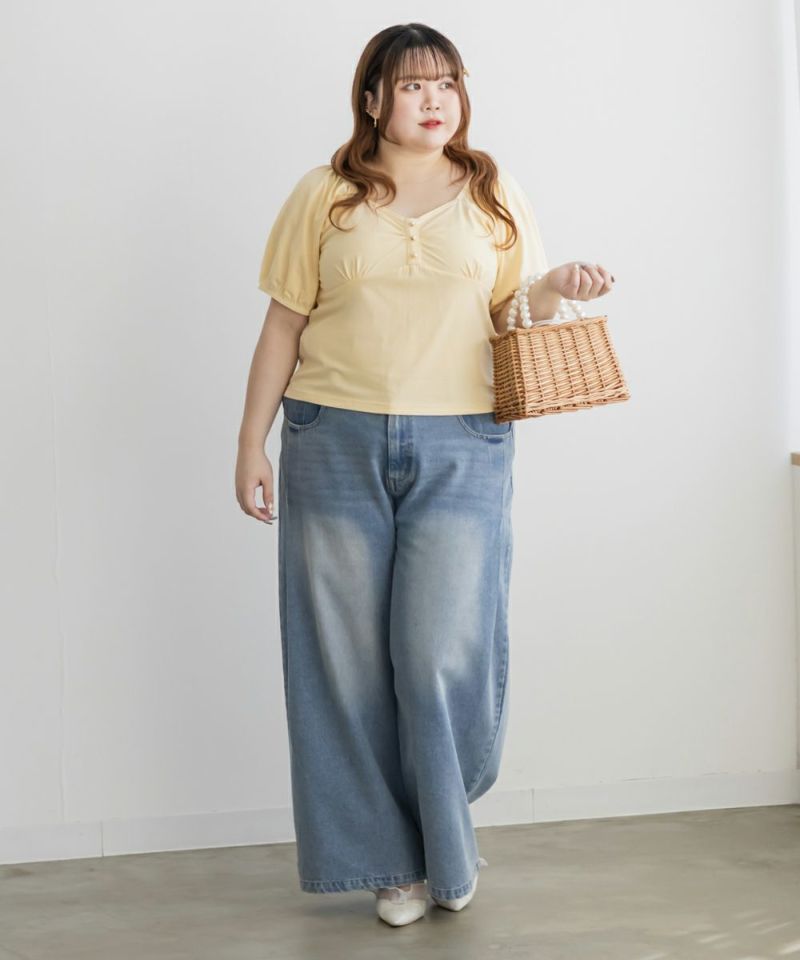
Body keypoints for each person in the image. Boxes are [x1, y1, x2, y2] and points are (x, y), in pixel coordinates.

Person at [235, 22, 614, 928]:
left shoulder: (492, 191)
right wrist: (251, 443)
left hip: (464, 443)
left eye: (446, 82)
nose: (434, 100)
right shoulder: (322, 196)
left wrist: (555, 286)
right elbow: (284, 325)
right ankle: (393, 866)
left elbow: (514, 308)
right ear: (373, 100)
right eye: (412, 86)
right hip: (332, 438)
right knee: (345, 661)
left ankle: (446, 840)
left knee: (437, 650)